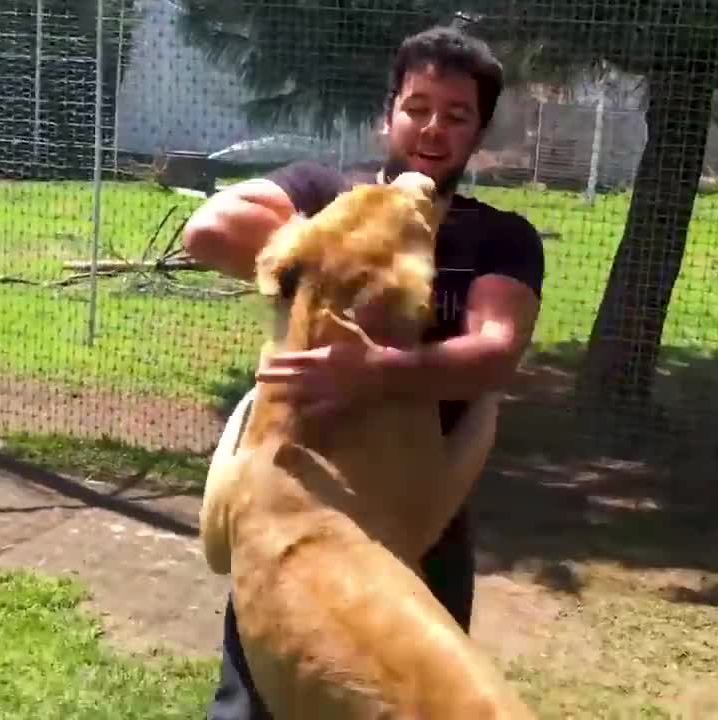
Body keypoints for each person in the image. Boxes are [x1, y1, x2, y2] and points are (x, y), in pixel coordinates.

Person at [182, 23, 546, 720]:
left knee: (405, 701)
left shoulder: (499, 235)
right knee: (255, 703)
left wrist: (377, 369)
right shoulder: (325, 195)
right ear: (389, 112)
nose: (432, 128)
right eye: (417, 107)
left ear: (479, 131)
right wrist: (342, 260)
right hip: (292, 507)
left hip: (417, 517)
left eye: (456, 114)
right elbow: (208, 231)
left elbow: (496, 350)